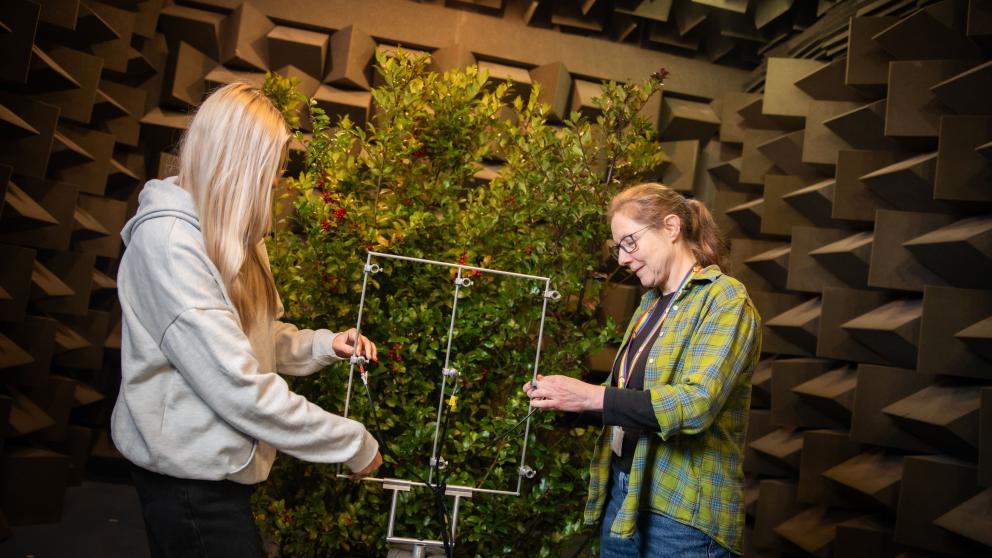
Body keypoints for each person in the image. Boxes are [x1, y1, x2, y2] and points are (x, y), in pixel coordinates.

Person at [111, 83, 383, 558]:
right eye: (272, 169)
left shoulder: (235, 230)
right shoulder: (170, 246)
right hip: (186, 482)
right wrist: (353, 443)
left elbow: (256, 338)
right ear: (237, 164)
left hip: (217, 472)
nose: (278, 180)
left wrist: (322, 345)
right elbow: (238, 386)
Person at [524, 182, 760, 557]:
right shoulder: (650, 304)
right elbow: (632, 402)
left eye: (629, 242)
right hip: (625, 497)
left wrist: (590, 396)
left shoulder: (725, 300)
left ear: (671, 228)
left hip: (681, 517)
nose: (622, 258)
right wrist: (568, 404)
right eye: (617, 247)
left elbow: (696, 404)